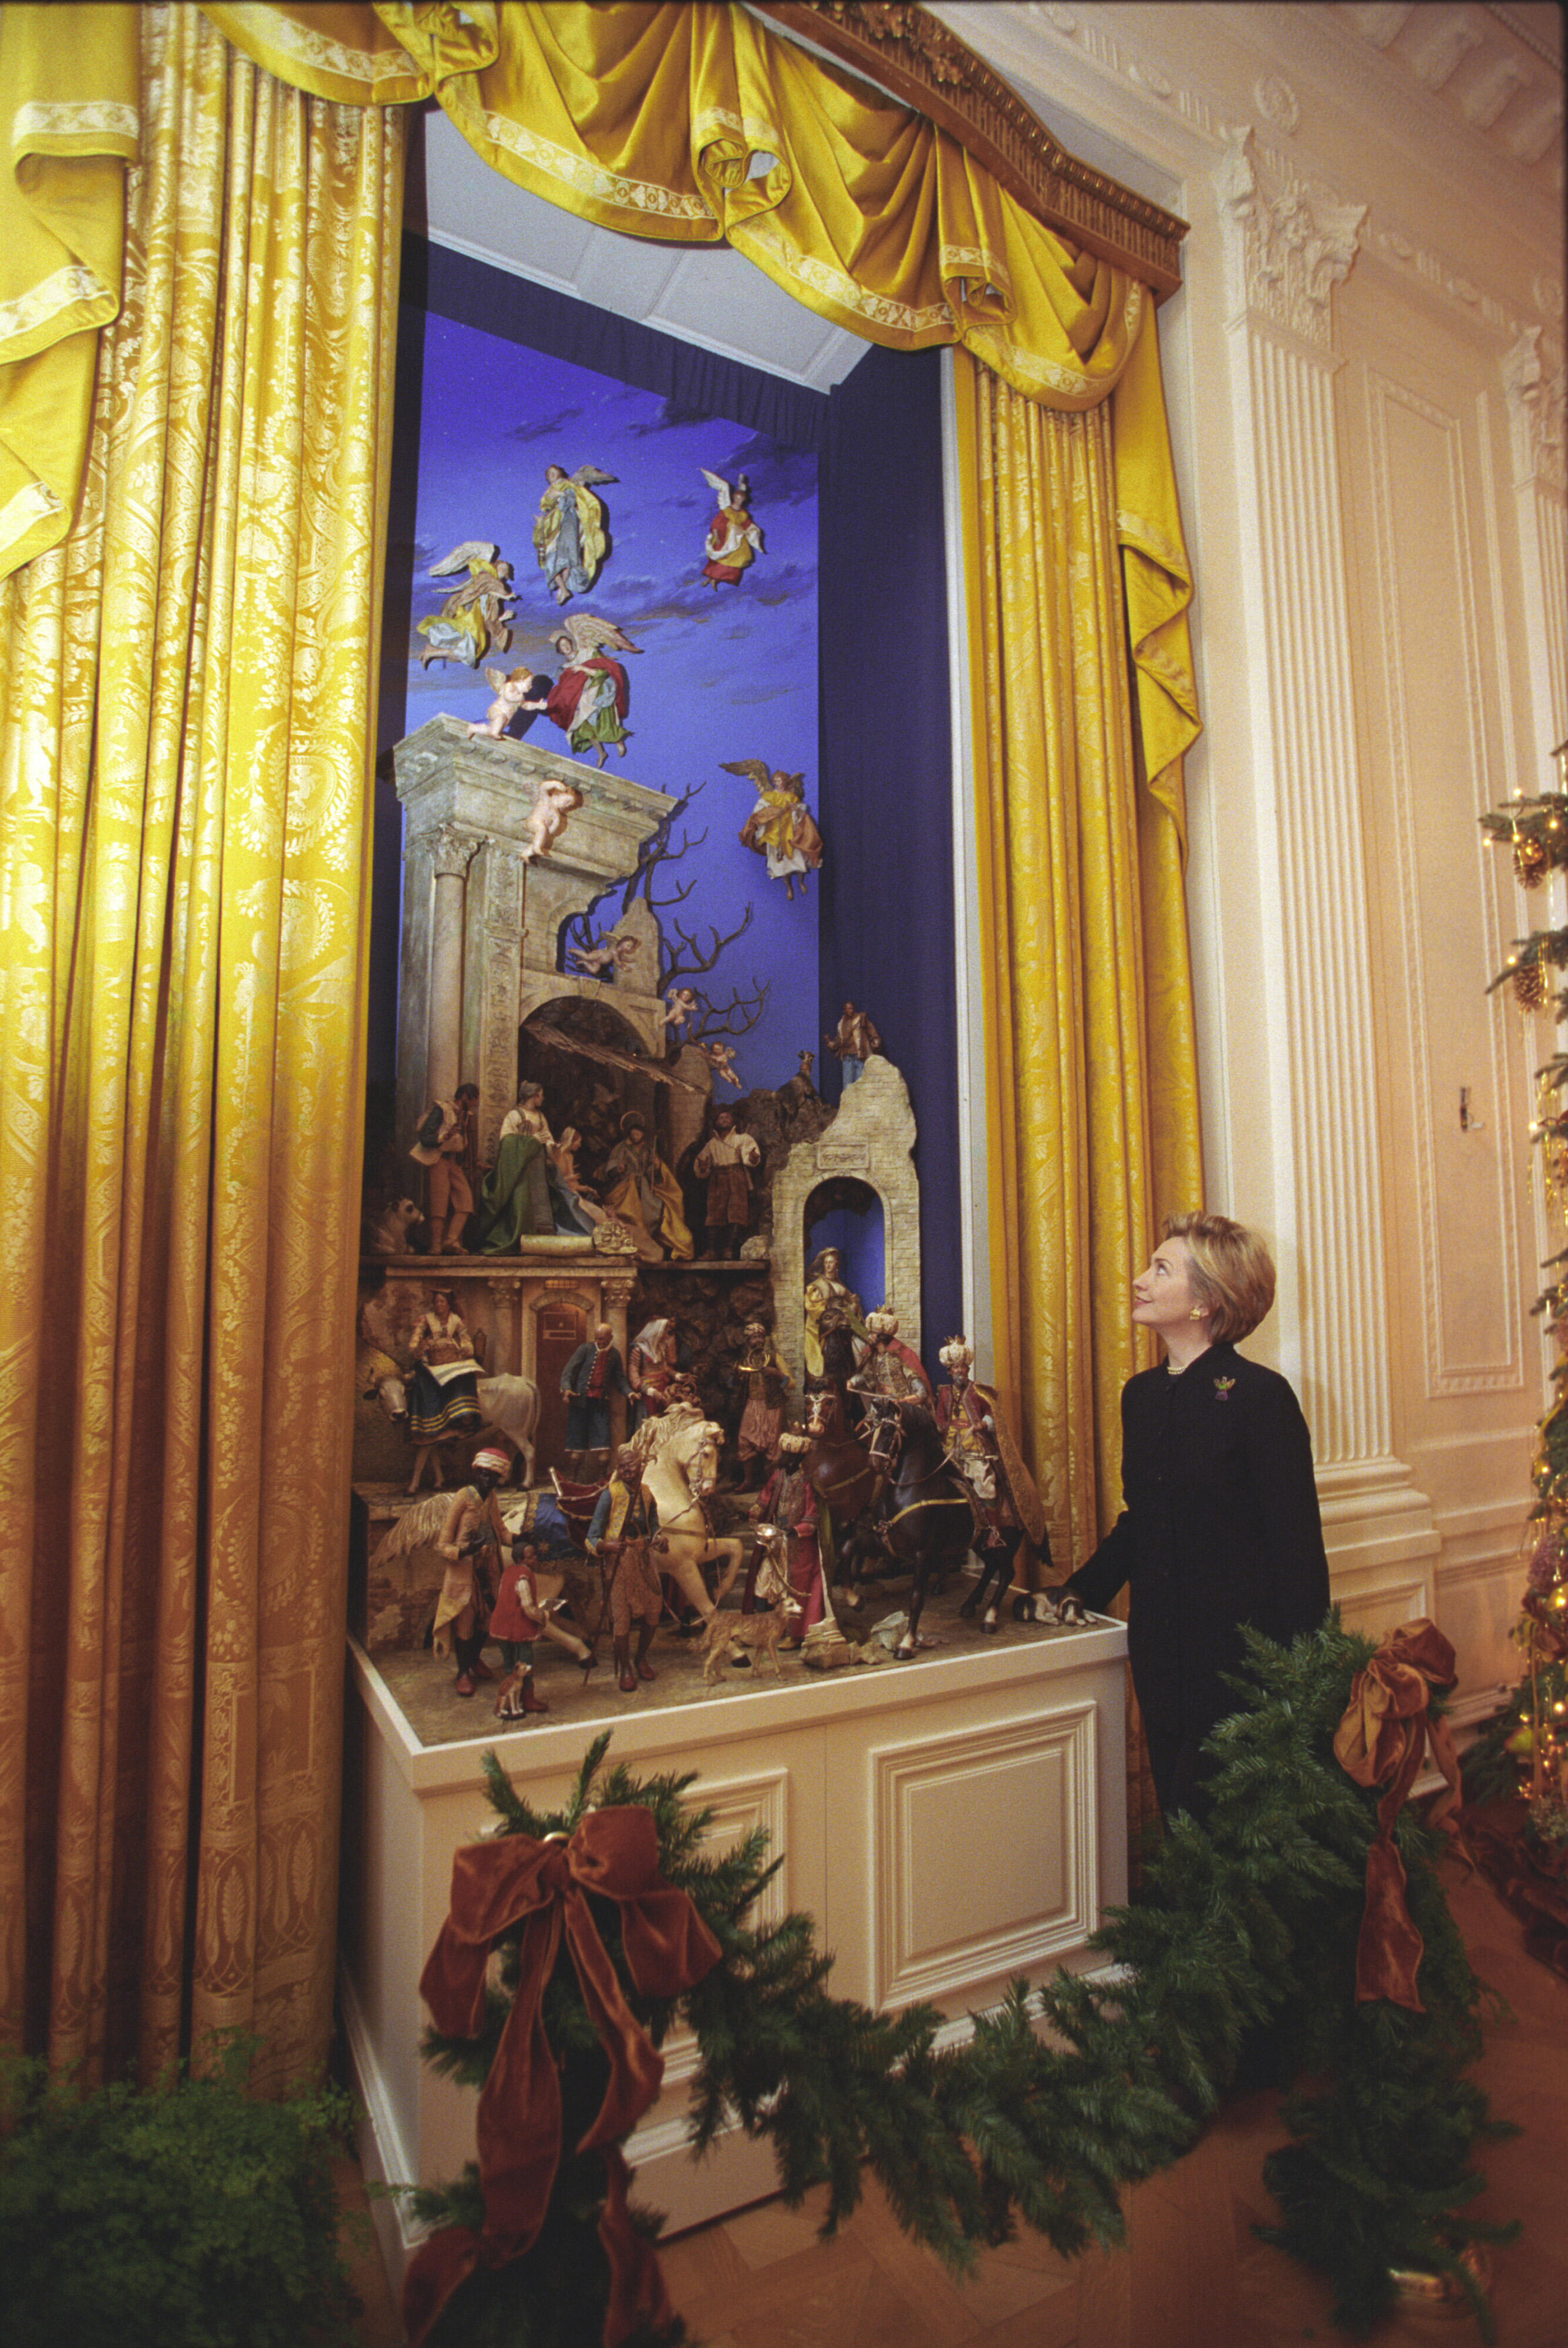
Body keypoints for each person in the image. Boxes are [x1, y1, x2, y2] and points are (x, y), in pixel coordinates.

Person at [1050, 1213, 1330, 1824]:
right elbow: (1142, 1520)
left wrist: (1302, 1677)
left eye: (1160, 1268)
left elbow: (1298, 1549)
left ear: (1205, 1300)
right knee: (1182, 1818)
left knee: (1238, 1825)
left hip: (1241, 1654)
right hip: (1160, 1646)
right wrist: (1078, 1589)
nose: (1138, 1280)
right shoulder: (1142, 1396)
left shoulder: (1260, 1396)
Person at [430, 1447, 511, 1698]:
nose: (487, 1479)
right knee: (465, 1623)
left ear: (499, 1478)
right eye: (484, 1474)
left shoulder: (492, 1497)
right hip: (465, 1573)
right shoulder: (464, 1497)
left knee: (489, 1620)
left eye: (493, 1476)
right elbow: (443, 1545)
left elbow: (499, 1527)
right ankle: (463, 1672)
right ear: (477, 1472)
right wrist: (465, 1551)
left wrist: (519, 1538)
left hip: (489, 1570)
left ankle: (475, 1659)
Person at [586, 1446, 665, 1692]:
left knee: (655, 1608)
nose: (627, 1470)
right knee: (621, 1617)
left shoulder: (647, 1493)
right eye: (622, 1466)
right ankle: (626, 1668)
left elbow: (654, 1525)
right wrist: (607, 1545)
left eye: (631, 1465)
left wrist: (659, 1538)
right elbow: (591, 1537)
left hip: (643, 1558)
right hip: (618, 1563)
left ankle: (641, 1658)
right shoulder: (610, 1494)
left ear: (640, 1466)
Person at [490, 1537, 594, 1719]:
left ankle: (510, 1704)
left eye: (535, 1556)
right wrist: (544, 1615)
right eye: (531, 1557)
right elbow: (529, 1608)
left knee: (510, 1666)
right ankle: (527, 1700)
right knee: (525, 1664)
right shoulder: (524, 1578)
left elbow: (503, 1598)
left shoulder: (508, 1573)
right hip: (518, 1628)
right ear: (521, 1560)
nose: (536, 1559)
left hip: (500, 1627)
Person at [601, 1112, 694, 1261]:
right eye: (633, 1134)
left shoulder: (648, 1149)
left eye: (638, 1134)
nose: (635, 1136)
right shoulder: (622, 1147)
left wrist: (656, 1166)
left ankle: (654, 1242)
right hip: (627, 1186)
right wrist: (618, 1169)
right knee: (631, 1214)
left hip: (644, 1188)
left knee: (655, 1210)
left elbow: (652, 1175)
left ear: (642, 1135)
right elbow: (611, 1166)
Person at [406, 1286, 482, 1446]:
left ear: (448, 1304)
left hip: (451, 1359)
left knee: (467, 1375)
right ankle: (431, 1427)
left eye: (442, 1302)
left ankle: (464, 1417)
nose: (439, 1305)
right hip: (431, 1360)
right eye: (436, 1302)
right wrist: (419, 1347)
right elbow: (415, 1339)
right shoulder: (426, 1319)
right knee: (424, 1379)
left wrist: (467, 1348)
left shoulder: (456, 1320)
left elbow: (465, 1338)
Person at [409, 1082, 479, 1254]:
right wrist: (444, 1137)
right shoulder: (442, 1109)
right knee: (438, 1203)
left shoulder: (466, 1116)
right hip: (439, 1159)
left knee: (466, 1201)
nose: (475, 1104)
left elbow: (463, 1144)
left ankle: (451, 1240)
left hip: (455, 1162)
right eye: (473, 1100)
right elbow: (425, 1137)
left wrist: (473, 1163)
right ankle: (436, 1244)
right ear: (465, 1096)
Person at [559, 1321, 631, 1479]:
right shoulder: (585, 1350)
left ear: (611, 1338)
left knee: (604, 1444)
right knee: (577, 1446)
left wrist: (630, 1393)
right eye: (597, 1338)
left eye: (602, 1339)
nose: (599, 1342)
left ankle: (602, 1480)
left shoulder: (615, 1355)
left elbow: (620, 1379)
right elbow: (569, 1371)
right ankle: (572, 1480)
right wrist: (567, 1389)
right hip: (579, 1403)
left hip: (600, 1405)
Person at [692, 1108, 760, 1258]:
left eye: (727, 1117)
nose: (723, 1120)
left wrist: (753, 1158)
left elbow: (751, 1156)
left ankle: (729, 1249)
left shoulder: (743, 1138)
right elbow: (702, 1162)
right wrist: (703, 1167)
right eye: (720, 1118)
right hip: (718, 1179)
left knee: (736, 1213)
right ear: (716, 1123)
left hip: (736, 1177)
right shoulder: (712, 1144)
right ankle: (711, 1250)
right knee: (715, 1213)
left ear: (733, 1121)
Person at [802, 1246, 867, 1385]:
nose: (828, 1266)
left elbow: (850, 1309)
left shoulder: (841, 1286)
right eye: (826, 1263)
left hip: (844, 1322)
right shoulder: (818, 1286)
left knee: (863, 1342)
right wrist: (835, 1314)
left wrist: (854, 1305)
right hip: (826, 1327)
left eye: (831, 1262)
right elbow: (815, 1310)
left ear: (837, 1264)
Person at [823, 1003, 881, 1085]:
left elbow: (872, 1031)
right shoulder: (841, 1024)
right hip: (848, 1058)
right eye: (849, 1009)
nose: (852, 1010)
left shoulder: (861, 1019)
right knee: (848, 1086)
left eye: (852, 1008)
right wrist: (829, 1042)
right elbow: (839, 1041)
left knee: (860, 1085)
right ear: (845, 1010)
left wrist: (876, 1041)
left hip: (860, 1057)